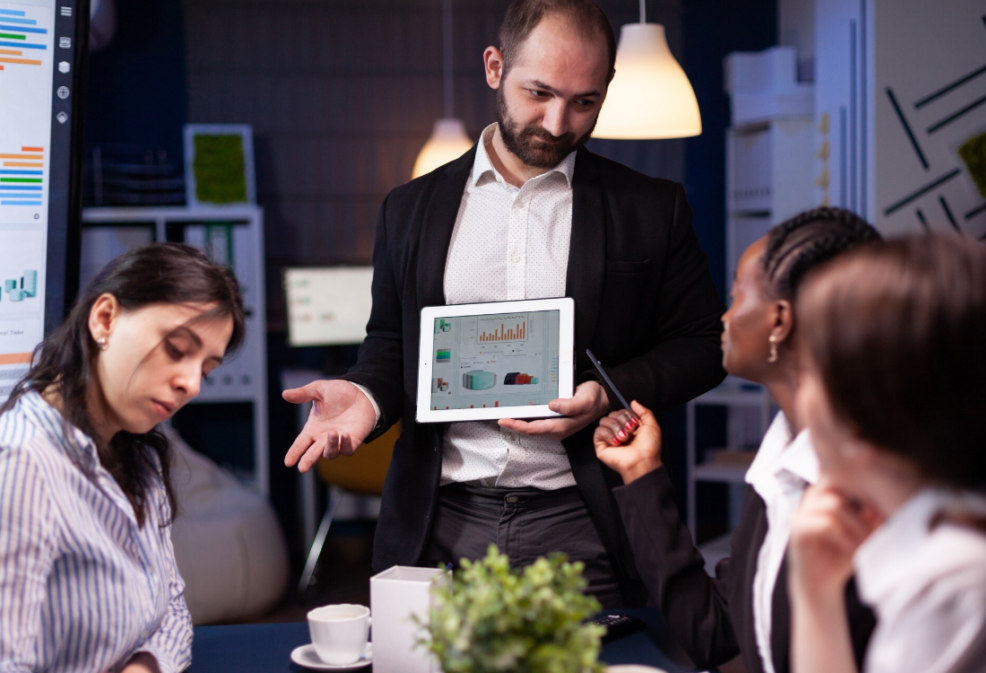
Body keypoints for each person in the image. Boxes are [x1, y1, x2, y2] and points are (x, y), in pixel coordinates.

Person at [283, 0, 725, 606]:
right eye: (538, 93)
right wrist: (366, 395)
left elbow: (705, 346)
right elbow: (391, 342)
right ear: (495, 67)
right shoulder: (408, 209)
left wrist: (606, 393)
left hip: (586, 521)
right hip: (440, 520)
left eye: (585, 101)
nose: (558, 122)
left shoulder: (651, 208)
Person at [593, 208, 880, 672]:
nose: (725, 317)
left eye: (737, 296)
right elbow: (716, 633)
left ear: (779, 320)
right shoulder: (779, 459)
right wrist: (641, 472)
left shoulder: (865, 487)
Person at [0, 244, 245, 673]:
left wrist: (143, 667)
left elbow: (172, 609)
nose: (191, 385)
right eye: (176, 349)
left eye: (205, 370)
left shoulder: (140, 454)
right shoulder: (22, 461)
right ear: (104, 318)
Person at [789, 235, 986, 673]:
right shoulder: (970, 546)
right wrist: (816, 595)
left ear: (863, 417)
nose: (798, 392)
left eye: (808, 371)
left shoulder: (955, 584)